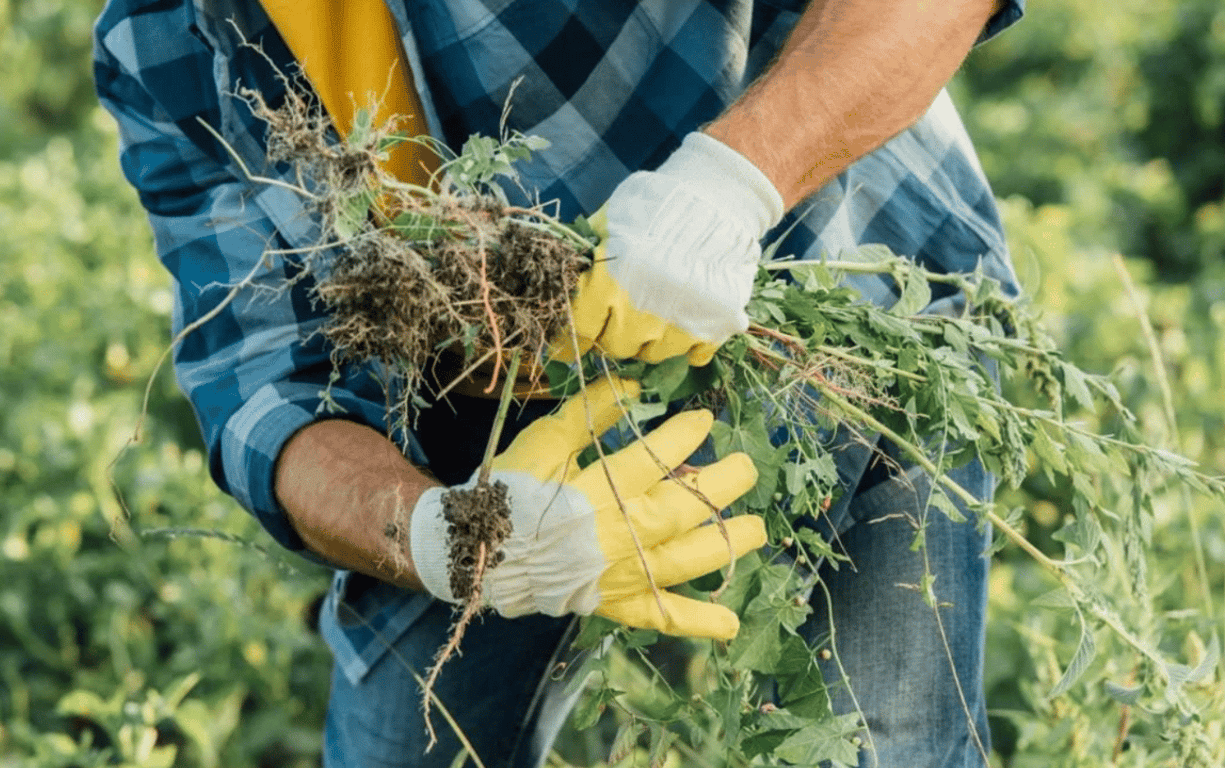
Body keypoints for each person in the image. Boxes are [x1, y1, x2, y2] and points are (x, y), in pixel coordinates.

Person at [93, 0, 1026, 765]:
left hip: (824, 277)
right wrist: (448, 538)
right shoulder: (163, 36)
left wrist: (730, 186)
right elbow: (267, 389)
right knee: (407, 746)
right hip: (482, 427)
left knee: (884, 744)